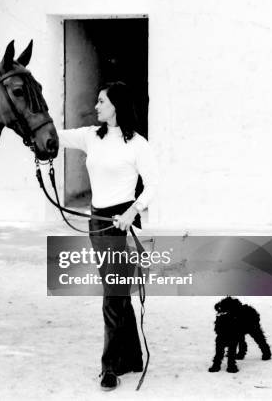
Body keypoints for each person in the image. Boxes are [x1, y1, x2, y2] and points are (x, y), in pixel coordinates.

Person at [57, 81, 159, 391]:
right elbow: (53, 136)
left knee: (113, 294)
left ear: (116, 105)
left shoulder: (138, 144)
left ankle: (110, 366)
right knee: (116, 291)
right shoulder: (91, 136)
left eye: (102, 101)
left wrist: (133, 211)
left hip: (123, 223)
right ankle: (132, 357)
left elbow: (154, 183)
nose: (96, 105)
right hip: (97, 223)